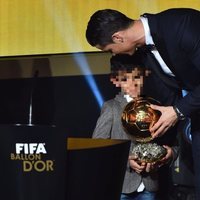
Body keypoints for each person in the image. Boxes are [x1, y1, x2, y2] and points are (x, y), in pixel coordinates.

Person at [86, 8, 200, 199]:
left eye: (109, 49)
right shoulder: (145, 55)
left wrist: (178, 110)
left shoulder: (182, 24)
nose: (112, 53)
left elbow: (175, 107)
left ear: (118, 38)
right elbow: (167, 99)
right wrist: (160, 150)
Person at [93, 54, 179, 200]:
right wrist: (127, 160)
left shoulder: (156, 107)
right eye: (126, 79)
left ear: (144, 76)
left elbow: (172, 144)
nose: (133, 84)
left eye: (137, 77)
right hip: (122, 186)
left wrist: (168, 154)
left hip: (150, 185)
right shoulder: (111, 107)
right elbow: (98, 146)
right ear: (116, 81)